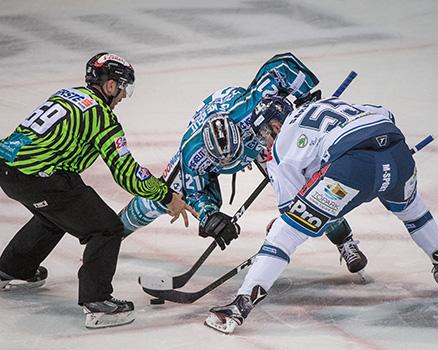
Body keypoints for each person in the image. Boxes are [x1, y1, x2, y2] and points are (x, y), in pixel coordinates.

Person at [204, 95, 438, 334]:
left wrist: (288, 220)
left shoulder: (281, 143)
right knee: (414, 213)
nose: (266, 141)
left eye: (265, 133)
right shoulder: (325, 103)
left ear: (275, 126)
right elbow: (385, 114)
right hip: (398, 156)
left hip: (353, 169)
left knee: (283, 233)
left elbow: (291, 211)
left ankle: (240, 305)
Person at [118, 53, 366, 273]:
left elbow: (283, 64)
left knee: (307, 189)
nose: (227, 162)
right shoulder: (193, 152)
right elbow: (194, 193)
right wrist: (209, 216)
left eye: (232, 156)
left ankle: (345, 240)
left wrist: (304, 98)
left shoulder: (254, 107)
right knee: (163, 197)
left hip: (260, 137)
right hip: (229, 143)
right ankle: (114, 234)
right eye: (220, 159)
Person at [0, 52, 196, 329]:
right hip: (39, 178)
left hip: (7, 168)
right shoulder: (101, 117)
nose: (124, 96)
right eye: (124, 87)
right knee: (106, 228)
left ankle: (12, 268)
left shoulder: (68, 94)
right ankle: (98, 303)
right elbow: (127, 173)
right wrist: (166, 196)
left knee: (56, 214)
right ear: (110, 85)